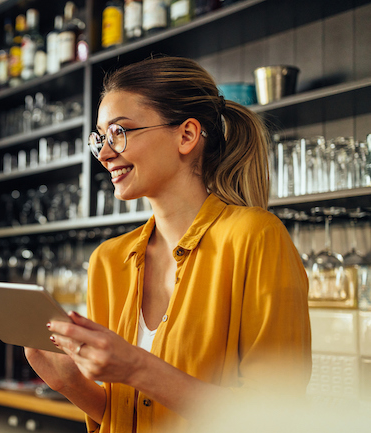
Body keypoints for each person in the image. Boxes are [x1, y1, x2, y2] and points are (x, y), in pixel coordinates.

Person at [25, 56, 311, 433]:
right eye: (101, 139)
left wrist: (138, 367)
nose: (106, 154)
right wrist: (69, 383)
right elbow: (122, 415)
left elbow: (276, 415)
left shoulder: (255, 238)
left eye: (120, 133)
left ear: (187, 135)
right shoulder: (108, 261)